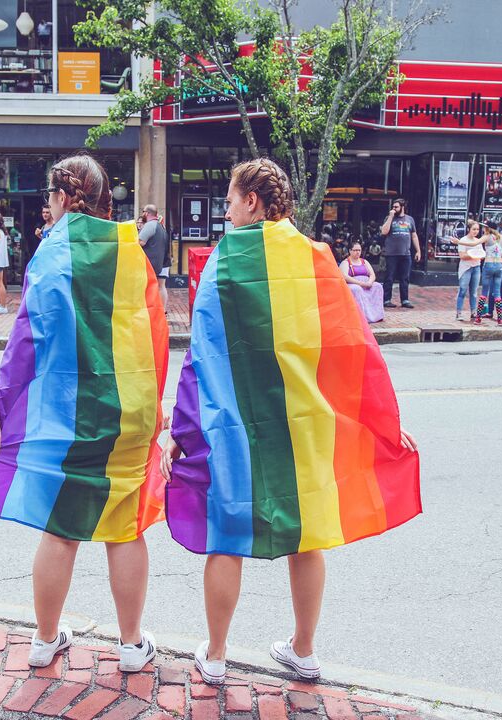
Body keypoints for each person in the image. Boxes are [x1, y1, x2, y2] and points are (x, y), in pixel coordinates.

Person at [160, 158, 420, 685]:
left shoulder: (225, 262)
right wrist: (379, 423)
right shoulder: (316, 258)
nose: (227, 212)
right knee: (306, 536)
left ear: (251, 201)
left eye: (231, 201)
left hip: (235, 428)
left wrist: (183, 431)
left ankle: (214, 656)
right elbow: (352, 350)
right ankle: (303, 649)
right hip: (304, 425)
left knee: (226, 536)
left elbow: (202, 357)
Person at [0, 153, 169, 674]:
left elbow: (25, 342)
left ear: (60, 197)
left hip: (62, 413)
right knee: (124, 528)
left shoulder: (51, 255)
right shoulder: (130, 252)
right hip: (125, 408)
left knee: (60, 528)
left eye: (48, 199)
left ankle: (45, 639)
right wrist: (154, 403)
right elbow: (153, 335)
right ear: (103, 199)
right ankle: (130, 644)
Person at [380, 198, 421, 308]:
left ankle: (405, 300)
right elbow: (384, 231)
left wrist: (418, 251)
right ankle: (386, 299)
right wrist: (391, 217)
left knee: (405, 277)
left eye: (396, 207)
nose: (394, 208)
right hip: (391, 253)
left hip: (405, 253)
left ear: (402, 207)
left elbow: (414, 235)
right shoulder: (389, 218)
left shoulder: (410, 219)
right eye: (393, 207)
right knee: (389, 277)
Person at [340, 240, 385, 322]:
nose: (357, 252)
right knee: (356, 289)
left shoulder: (364, 261)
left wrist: (370, 282)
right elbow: (345, 277)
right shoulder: (346, 262)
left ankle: (377, 315)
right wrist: (361, 283)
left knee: (378, 286)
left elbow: (372, 274)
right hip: (353, 283)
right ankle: (361, 316)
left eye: (359, 250)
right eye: (355, 250)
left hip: (366, 283)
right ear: (350, 251)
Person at [138, 204, 170, 309]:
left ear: (147, 213)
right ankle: (162, 310)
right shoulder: (161, 226)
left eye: (143, 212)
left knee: (147, 287)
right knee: (161, 287)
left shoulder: (150, 225)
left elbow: (141, 242)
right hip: (163, 261)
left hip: (152, 263)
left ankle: (150, 310)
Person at [476, 224, 502, 326]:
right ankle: (499, 319)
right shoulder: (501, 238)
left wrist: (459, 242)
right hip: (499, 266)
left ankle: (478, 318)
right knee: (497, 294)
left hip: (488, 264)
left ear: (487, 228)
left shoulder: (487, 236)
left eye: (484, 227)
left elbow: (475, 242)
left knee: (484, 292)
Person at [455, 220, 484, 321]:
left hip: (476, 267)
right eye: (474, 229)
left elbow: (481, 255)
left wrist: (477, 255)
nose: (476, 231)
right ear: (469, 229)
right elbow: (462, 256)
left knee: (474, 291)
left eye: (477, 229)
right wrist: (472, 254)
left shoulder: (478, 241)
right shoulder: (463, 240)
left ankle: (473, 312)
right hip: (466, 268)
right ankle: (459, 313)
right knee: (462, 290)